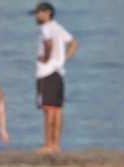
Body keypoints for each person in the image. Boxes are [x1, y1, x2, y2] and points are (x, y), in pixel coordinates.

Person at [32, 2, 78, 153]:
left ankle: (48, 144)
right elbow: (74, 43)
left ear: (47, 13)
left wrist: (47, 57)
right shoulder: (58, 27)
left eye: (38, 13)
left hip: (47, 72)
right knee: (58, 109)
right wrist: (64, 59)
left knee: (49, 109)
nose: (36, 16)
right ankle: (56, 144)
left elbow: (50, 42)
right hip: (58, 72)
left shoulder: (46, 28)